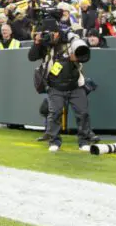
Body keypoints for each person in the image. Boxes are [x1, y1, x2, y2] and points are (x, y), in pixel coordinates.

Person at [29, 19, 98, 151]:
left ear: (58, 31)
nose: (51, 36)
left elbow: (85, 54)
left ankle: (83, 142)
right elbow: (31, 57)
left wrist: (76, 57)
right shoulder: (44, 43)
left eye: (53, 33)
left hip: (75, 85)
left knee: (83, 113)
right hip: (55, 86)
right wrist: (37, 42)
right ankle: (54, 142)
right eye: (47, 33)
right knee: (54, 113)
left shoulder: (70, 39)